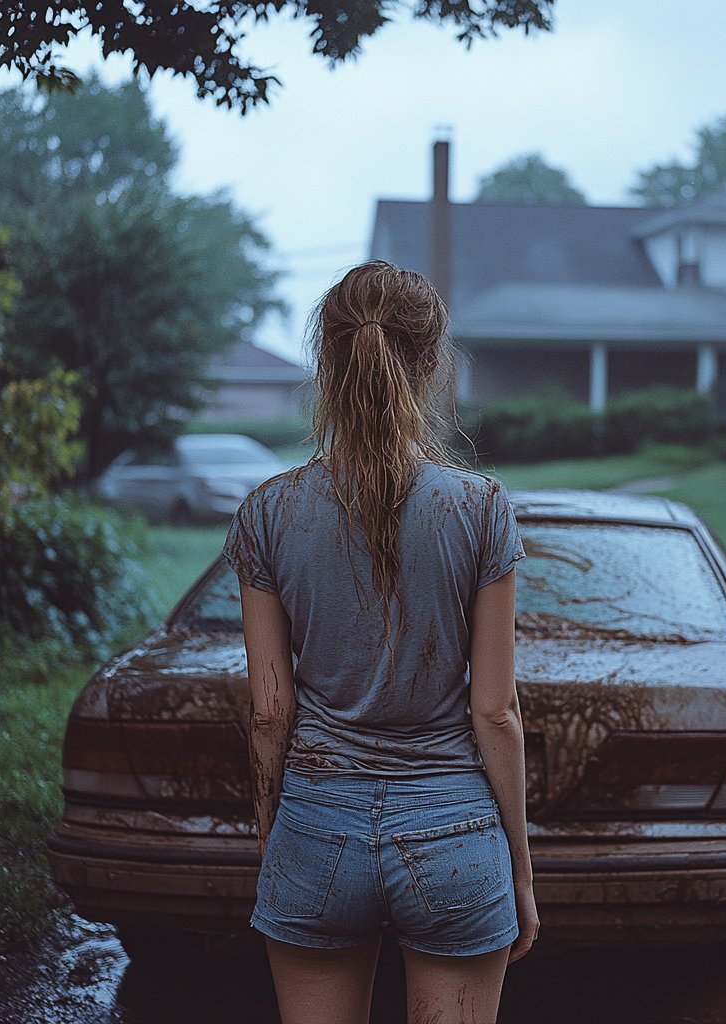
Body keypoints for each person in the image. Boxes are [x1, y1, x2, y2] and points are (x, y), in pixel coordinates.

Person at [221, 259, 539, 1024]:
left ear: (327, 361)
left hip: (316, 827)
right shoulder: (482, 507)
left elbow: (270, 712)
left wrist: (279, 842)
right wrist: (520, 873)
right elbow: (494, 712)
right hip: (456, 832)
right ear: (430, 365)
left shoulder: (267, 511)